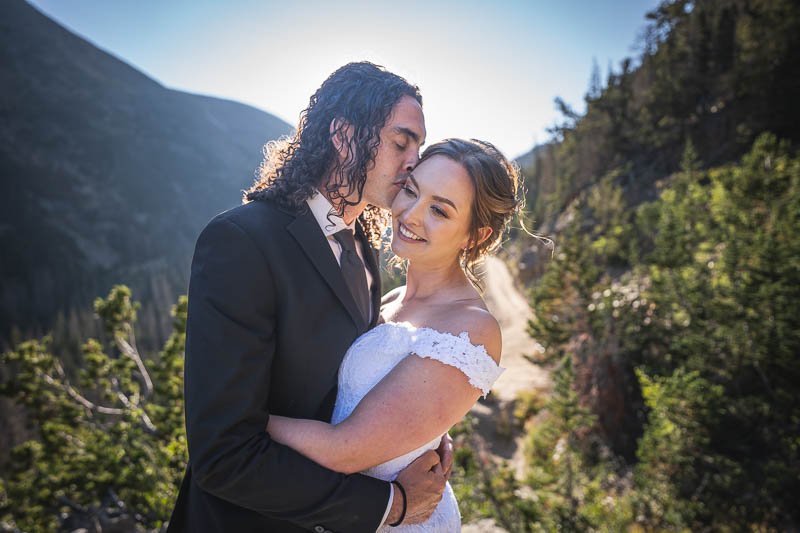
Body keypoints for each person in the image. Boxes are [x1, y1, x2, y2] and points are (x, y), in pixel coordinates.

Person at [166, 62, 453, 533]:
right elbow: (223, 455)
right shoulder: (242, 241)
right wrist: (389, 505)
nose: (413, 162)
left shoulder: (362, 243)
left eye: (417, 147)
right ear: (343, 136)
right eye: (401, 143)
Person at [265, 138, 520, 531]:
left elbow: (345, 450)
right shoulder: (389, 296)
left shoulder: (472, 327)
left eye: (439, 210)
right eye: (412, 190)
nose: (411, 214)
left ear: (476, 236)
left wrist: (242, 419)